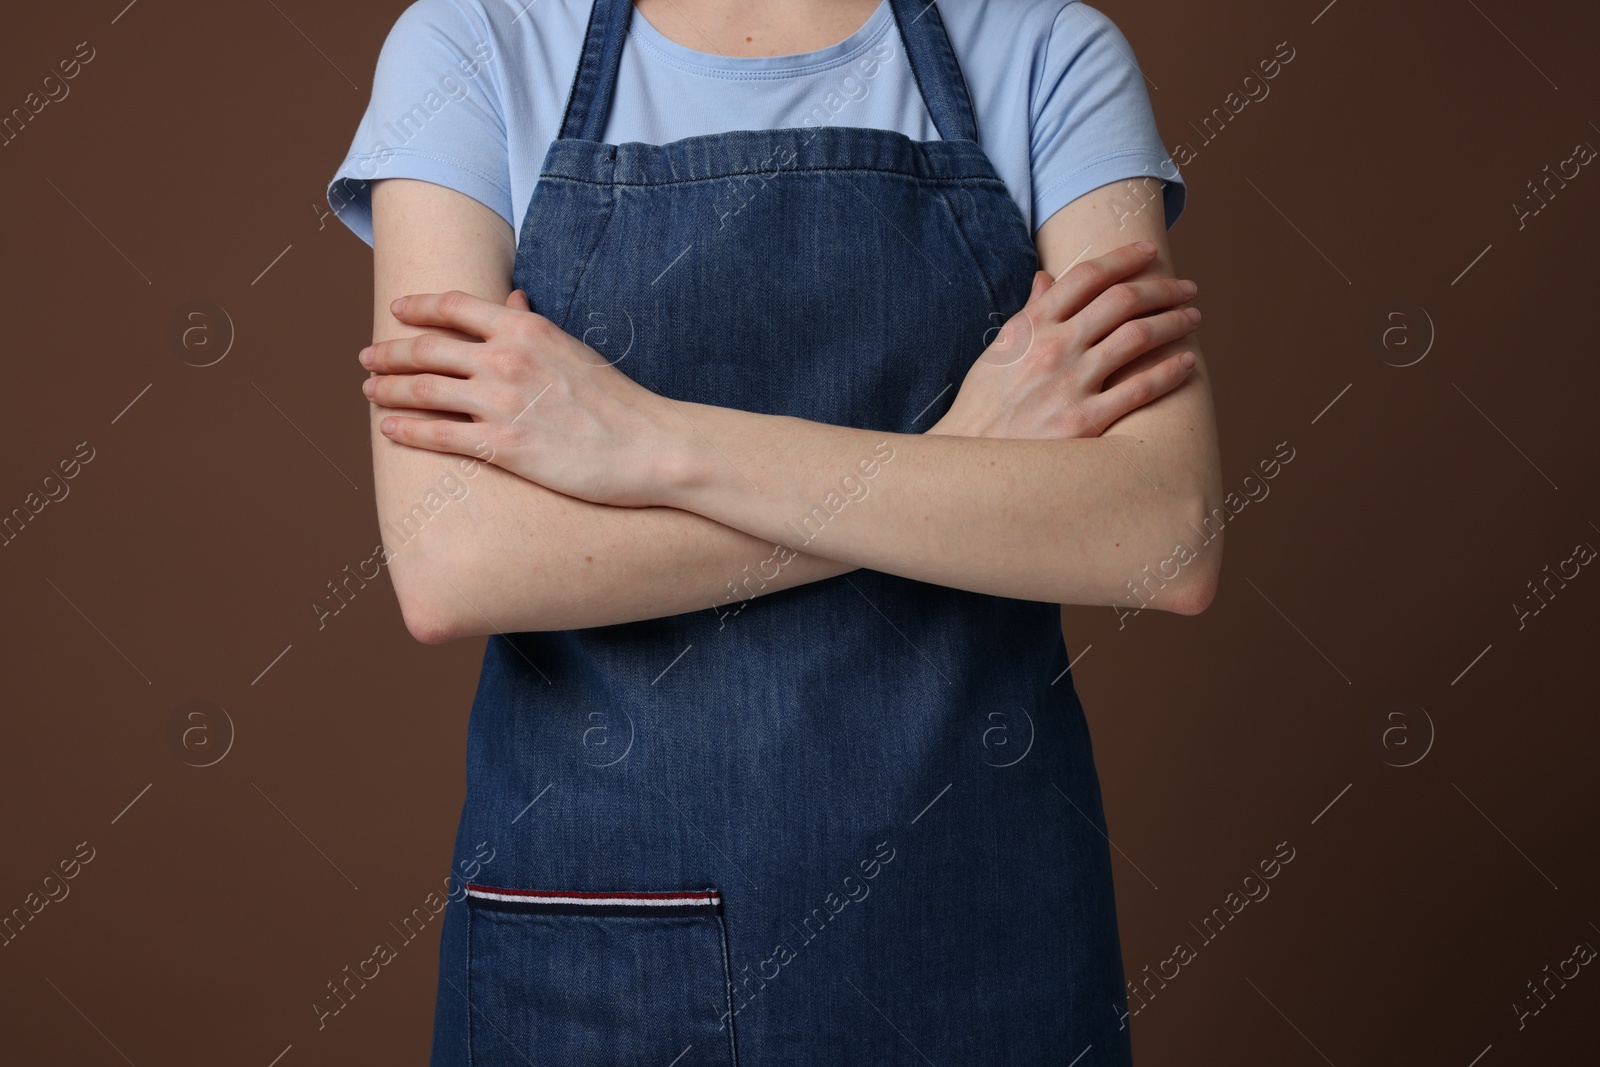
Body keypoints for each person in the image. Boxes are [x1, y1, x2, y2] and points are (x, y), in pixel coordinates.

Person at [326, 0, 1223, 1062]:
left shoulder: (1045, 50)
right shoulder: (474, 43)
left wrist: (654, 442)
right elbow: (456, 561)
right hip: (597, 952)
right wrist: (953, 458)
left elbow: (1161, 535)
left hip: (979, 929)